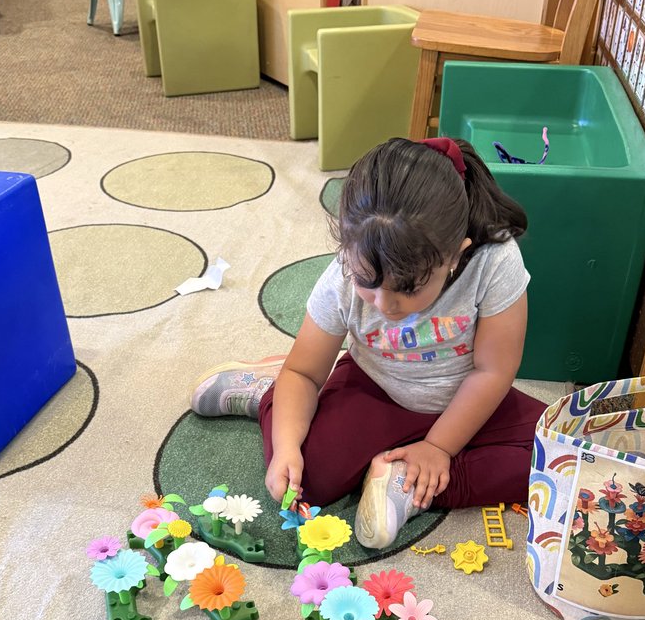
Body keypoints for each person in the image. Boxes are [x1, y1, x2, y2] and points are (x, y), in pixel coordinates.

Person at [190, 136, 546, 550]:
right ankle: (265, 393)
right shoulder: (340, 278)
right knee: (308, 483)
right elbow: (304, 371)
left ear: (455, 255)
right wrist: (286, 445)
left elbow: (493, 371)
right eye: (366, 283)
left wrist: (437, 448)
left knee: (561, 457)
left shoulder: (494, 259)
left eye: (409, 288)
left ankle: (405, 482)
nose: (386, 304)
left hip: (470, 397)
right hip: (377, 388)